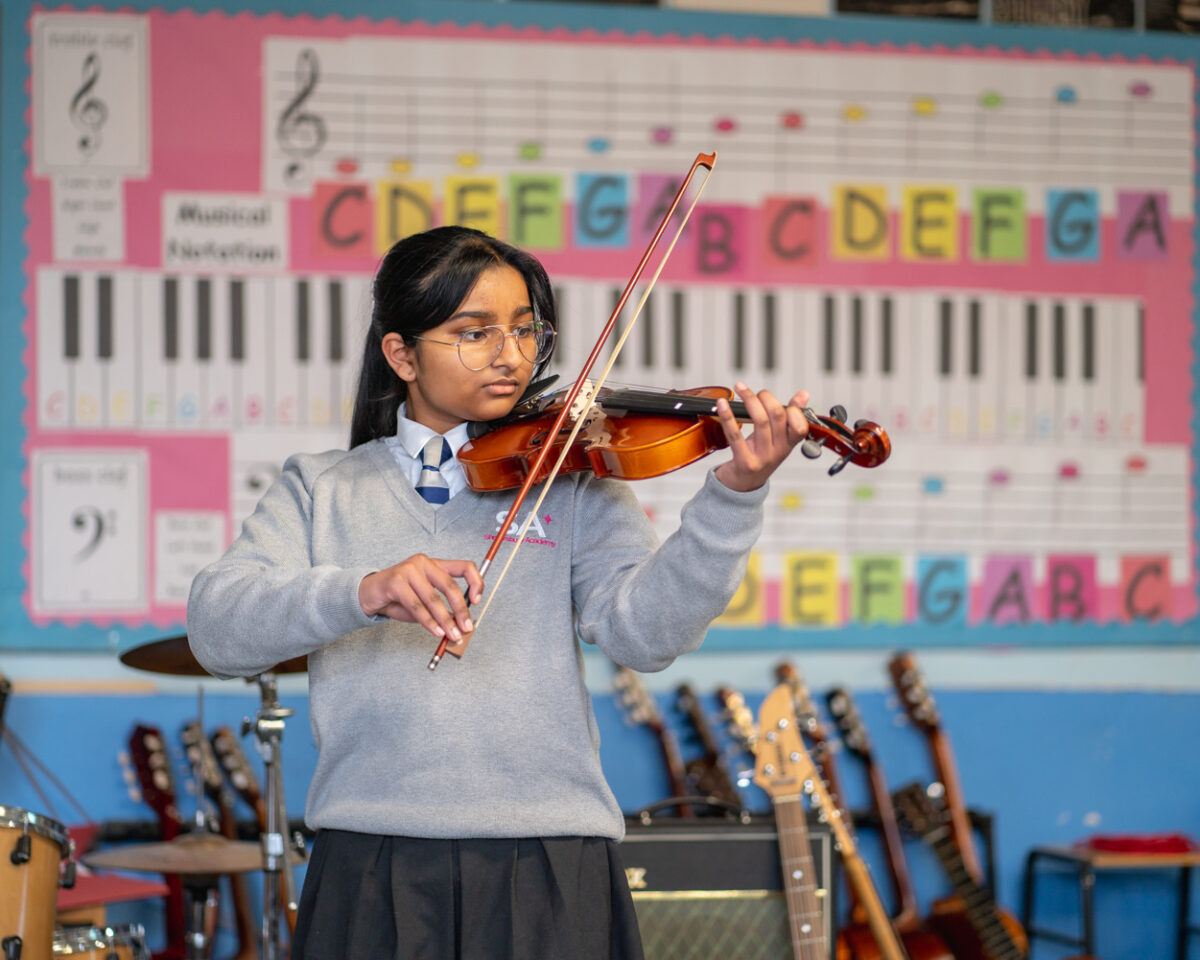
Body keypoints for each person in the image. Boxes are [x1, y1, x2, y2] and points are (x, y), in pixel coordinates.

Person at [187, 225, 811, 960]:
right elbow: (216, 628)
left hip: (548, 859)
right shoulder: (323, 487)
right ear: (401, 354)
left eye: (524, 331)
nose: (510, 355)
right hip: (372, 861)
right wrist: (364, 589)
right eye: (474, 332)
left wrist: (735, 495)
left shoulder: (570, 476)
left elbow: (647, 635)